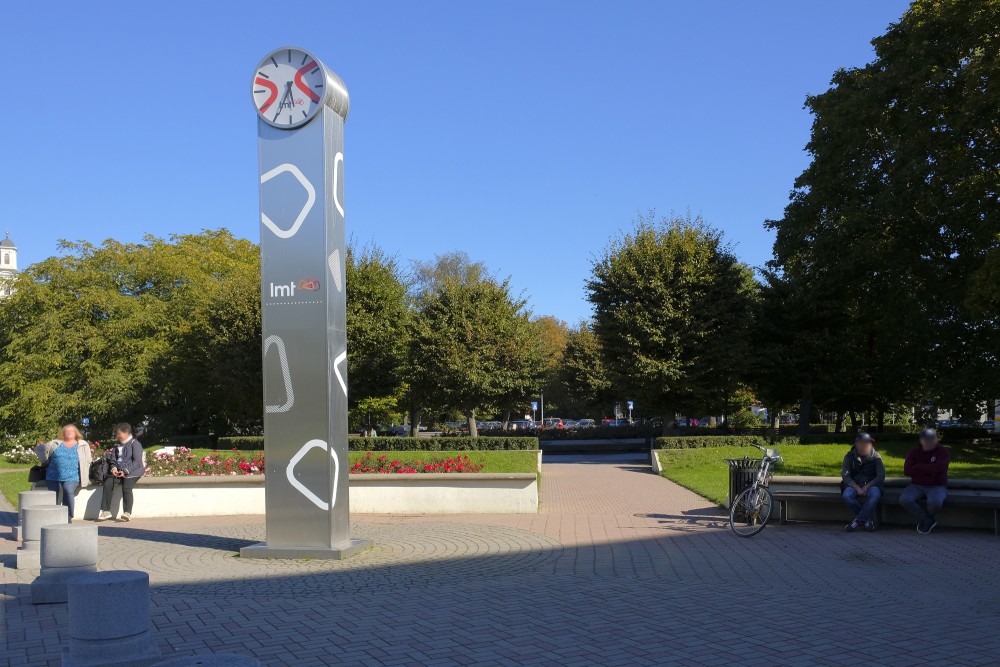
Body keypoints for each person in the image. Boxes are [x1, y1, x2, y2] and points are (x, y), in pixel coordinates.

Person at [34, 424, 93, 522]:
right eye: (67, 431)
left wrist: (84, 471)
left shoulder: (82, 444)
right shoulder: (55, 443)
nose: (69, 433)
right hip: (53, 476)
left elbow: (88, 460)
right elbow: (39, 449)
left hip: (72, 476)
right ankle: (54, 516)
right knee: (53, 494)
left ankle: (68, 516)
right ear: (63, 433)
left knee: (68, 490)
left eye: (71, 431)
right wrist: (44, 460)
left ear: (76, 433)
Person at [900, 428, 950, 534]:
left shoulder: (942, 452)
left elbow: (940, 469)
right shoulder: (914, 452)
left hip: (937, 486)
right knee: (905, 499)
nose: (929, 442)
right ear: (921, 441)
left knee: (935, 502)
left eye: (932, 440)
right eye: (926, 440)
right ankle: (927, 519)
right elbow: (907, 471)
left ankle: (926, 520)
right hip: (916, 485)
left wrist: (919, 467)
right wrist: (930, 470)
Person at [98, 423, 145, 522]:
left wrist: (125, 471)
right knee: (108, 482)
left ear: (127, 433)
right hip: (119, 471)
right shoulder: (117, 445)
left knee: (127, 486)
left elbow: (137, 462)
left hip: (133, 471)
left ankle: (127, 512)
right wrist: (113, 468)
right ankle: (106, 511)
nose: (117, 436)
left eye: (119, 434)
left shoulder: (135, 444)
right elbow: (113, 459)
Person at [840, 432, 886, 532]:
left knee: (875, 495)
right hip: (854, 484)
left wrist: (867, 486)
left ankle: (857, 521)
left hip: (872, 484)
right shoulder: (849, 456)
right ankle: (866, 521)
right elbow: (845, 476)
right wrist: (856, 487)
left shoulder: (876, 457)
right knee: (847, 495)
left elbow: (881, 476)